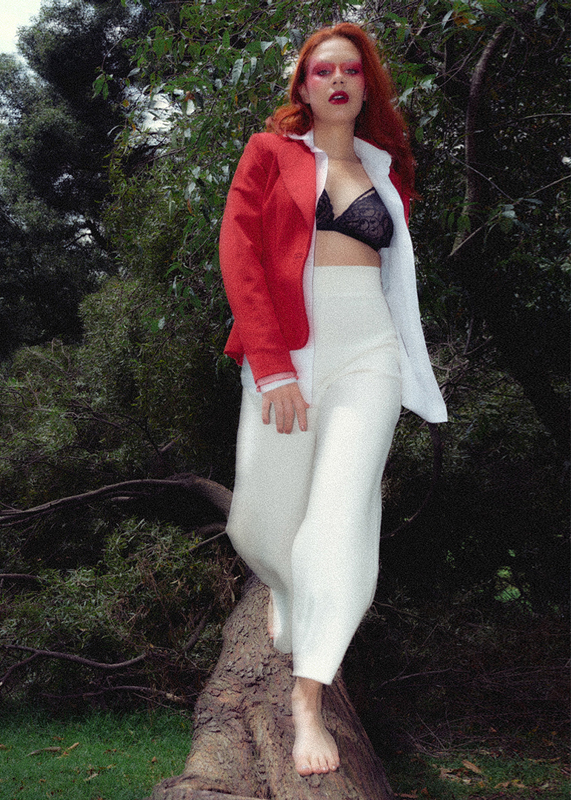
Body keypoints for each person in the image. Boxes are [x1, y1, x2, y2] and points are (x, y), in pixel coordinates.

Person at [219, 22, 447, 777]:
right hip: (288, 347)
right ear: (303, 86)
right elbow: (241, 256)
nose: (338, 81)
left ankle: (307, 693)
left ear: (365, 85)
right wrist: (274, 366)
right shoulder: (268, 153)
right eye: (323, 71)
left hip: (369, 351)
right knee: (259, 517)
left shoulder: (387, 168)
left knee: (342, 514)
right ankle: (286, 587)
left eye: (351, 70)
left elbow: (391, 275)